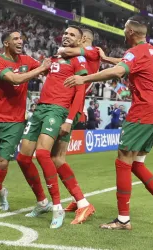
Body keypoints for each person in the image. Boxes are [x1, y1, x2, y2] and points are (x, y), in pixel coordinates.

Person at [64, 16, 153, 230]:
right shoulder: (151, 50)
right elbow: (129, 65)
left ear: (131, 32)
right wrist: (107, 59)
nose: (123, 32)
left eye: (124, 29)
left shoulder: (134, 52)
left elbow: (121, 70)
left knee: (123, 160)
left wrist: (85, 78)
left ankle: (123, 219)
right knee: (137, 164)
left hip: (142, 111)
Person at [16, 26, 92, 229]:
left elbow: (80, 91)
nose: (67, 36)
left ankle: (57, 206)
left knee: (43, 154)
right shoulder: (55, 58)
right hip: (40, 108)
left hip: (58, 110)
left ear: (79, 41)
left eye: (72, 35)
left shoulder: (79, 60)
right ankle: (43, 203)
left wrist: (69, 119)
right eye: (65, 33)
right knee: (23, 158)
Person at [0, 30, 51, 217]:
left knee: (3, 161)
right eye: (15, 38)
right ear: (6, 43)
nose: (20, 41)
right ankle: (0, 192)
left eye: (21, 38)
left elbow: (47, 67)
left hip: (15, 121)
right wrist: (40, 69)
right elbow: (15, 79)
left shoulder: (26, 60)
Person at [51, 27, 101, 216]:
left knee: (56, 158)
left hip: (70, 108)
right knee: (55, 157)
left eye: (82, 40)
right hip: (68, 105)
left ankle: (82, 201)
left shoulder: (91, 53)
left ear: (84, 39)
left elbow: (64, 50)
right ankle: (77, 198)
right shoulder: (85, 57)